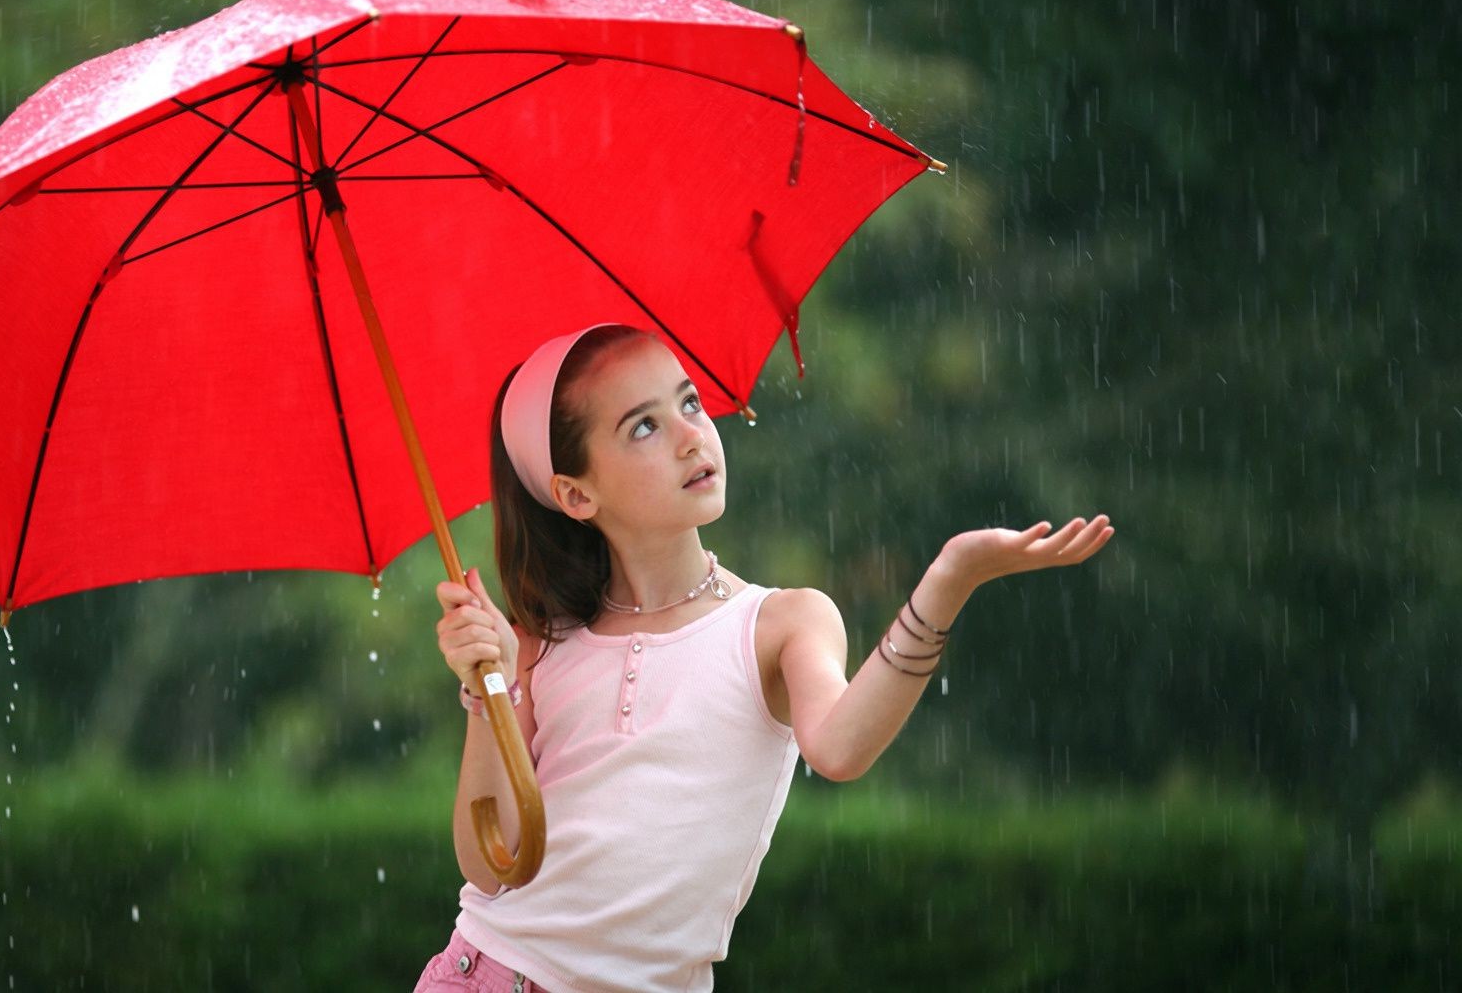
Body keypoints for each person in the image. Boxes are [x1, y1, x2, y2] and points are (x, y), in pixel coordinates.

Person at [412, 322, 1114, 992]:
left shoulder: (779, 623)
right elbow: (489, 862)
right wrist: (488, 690)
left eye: (688, 402)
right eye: (645, 426)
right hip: (486, 975)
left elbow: (840, 749)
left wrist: (950, 578)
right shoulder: (538, 643)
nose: (692, 436)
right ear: (575, 493)